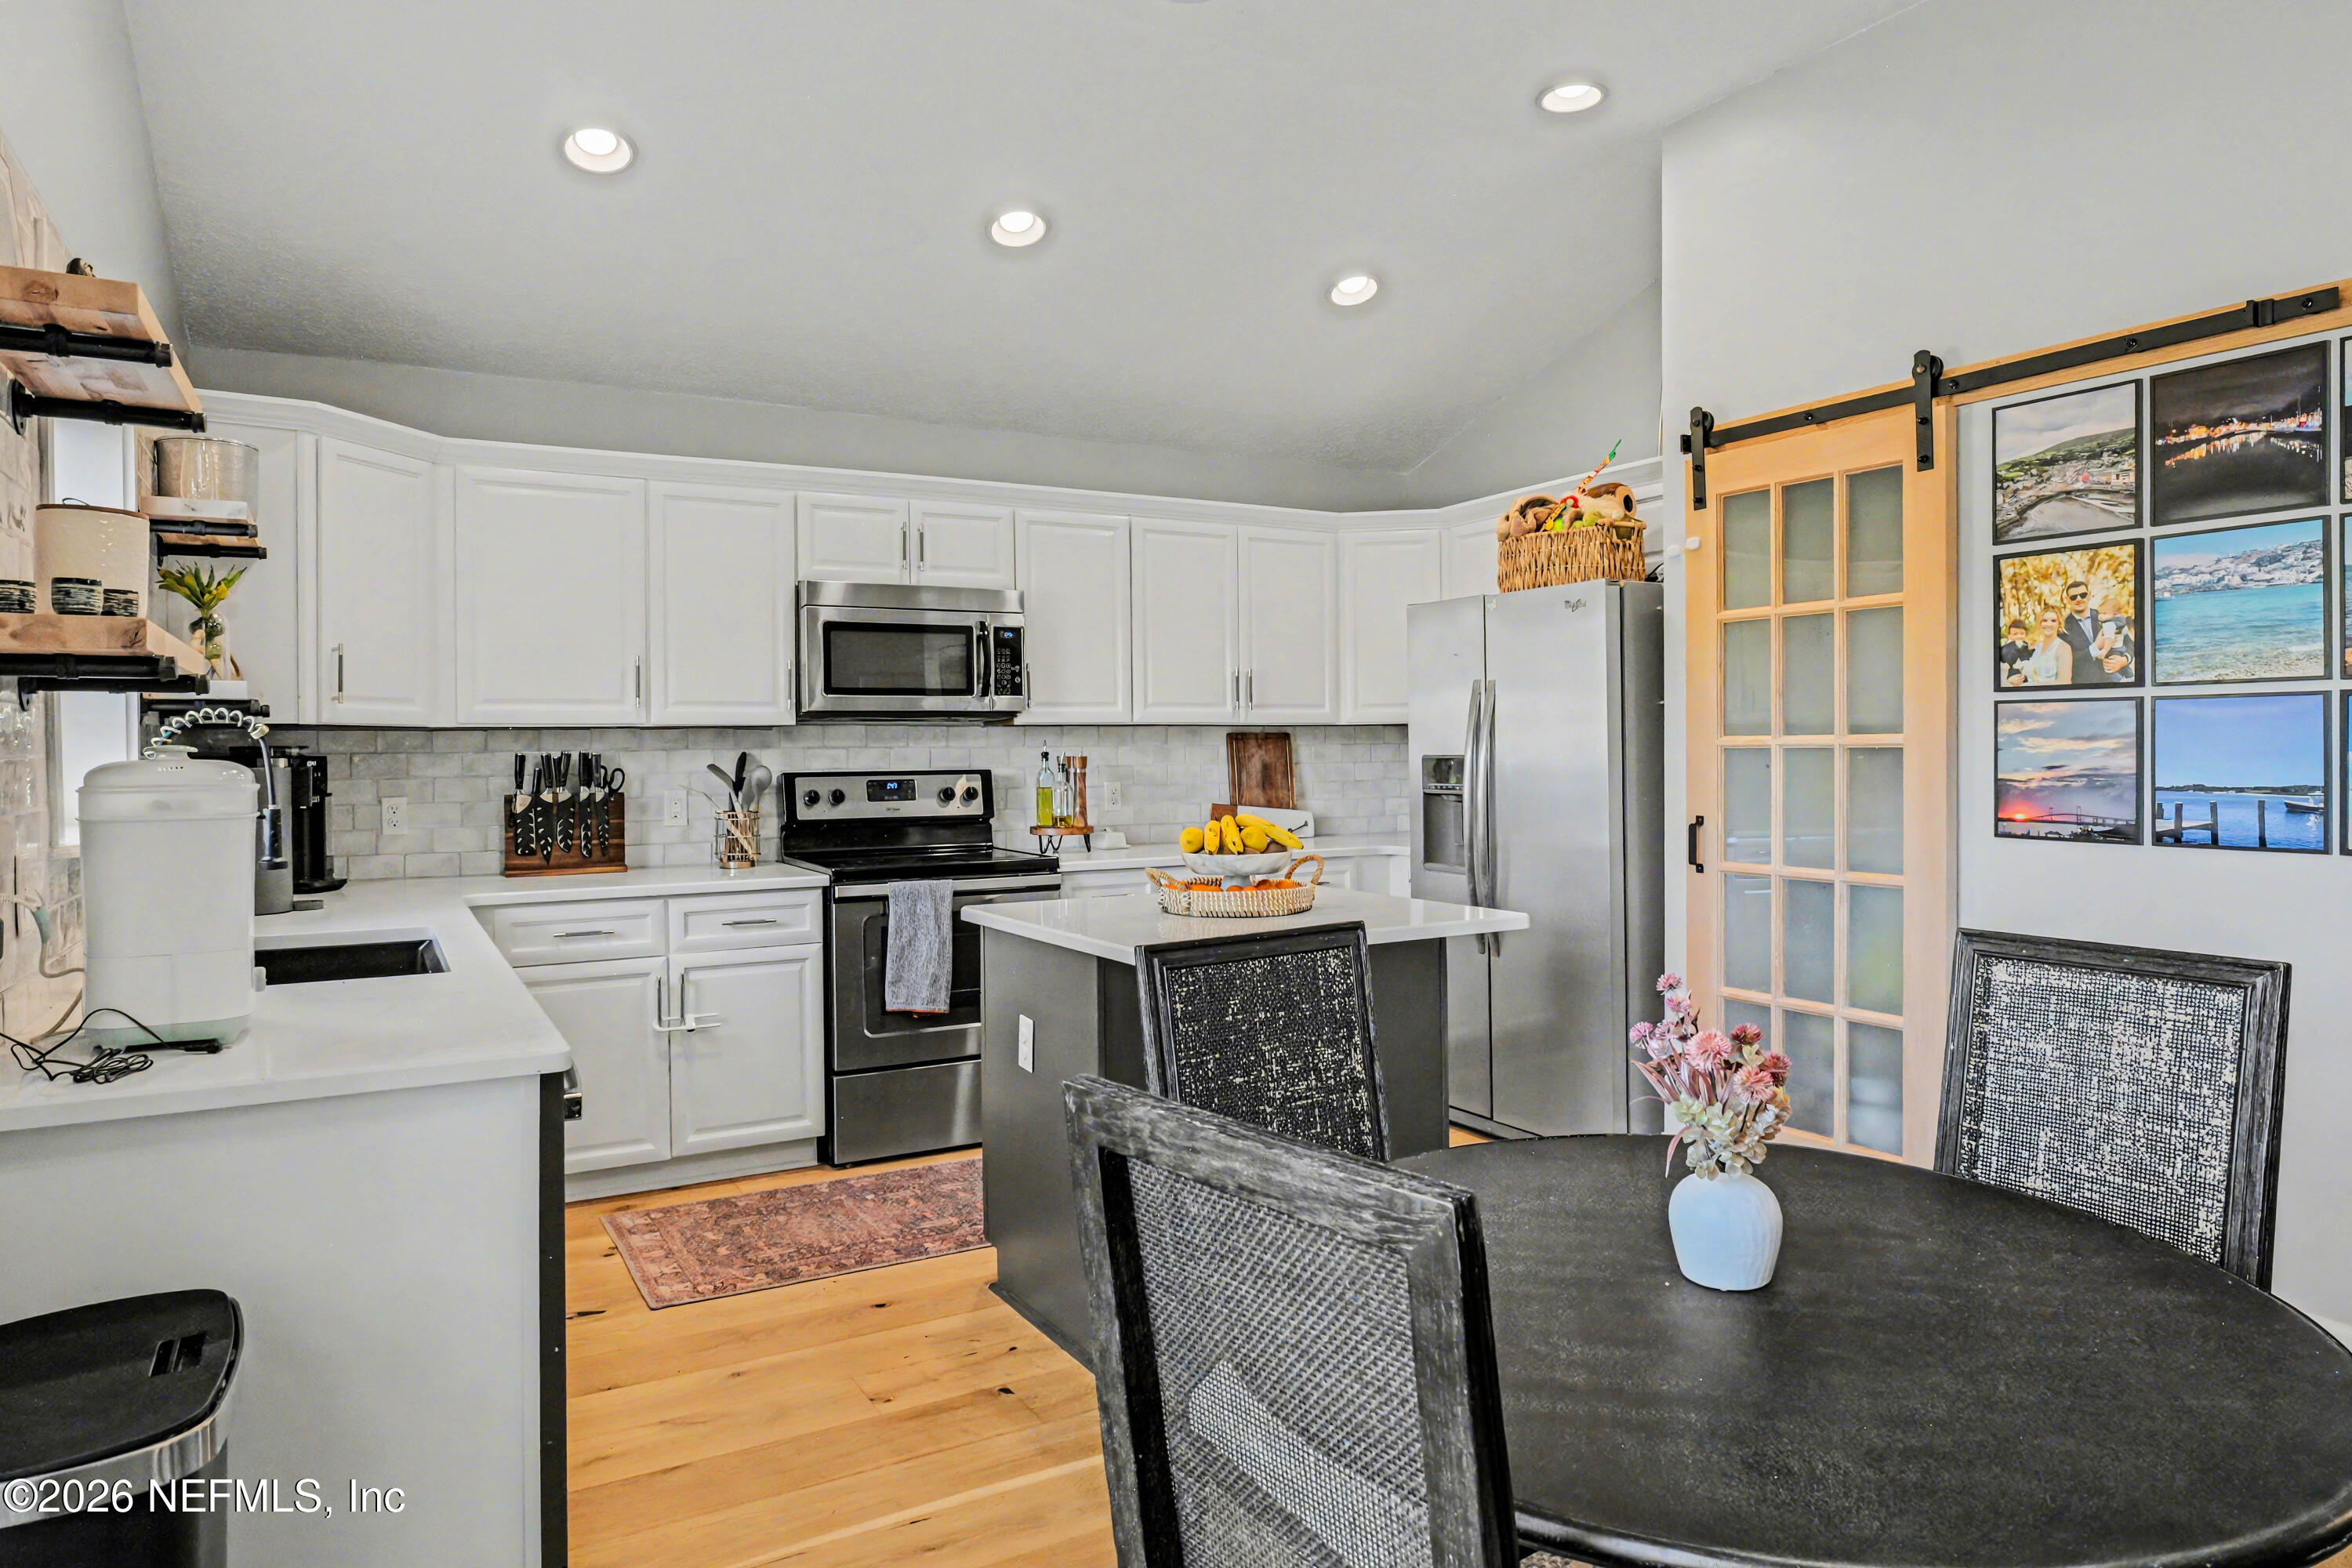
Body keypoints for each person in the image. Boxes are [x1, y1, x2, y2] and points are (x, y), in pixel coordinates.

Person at [2059, 579, 2130, 684]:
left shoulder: (2105, 615)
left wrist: (2124, 660)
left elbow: (2129, 644)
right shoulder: (2063, 627)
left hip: (2118, 682)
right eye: (2074, 597)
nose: (2079, 599)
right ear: (2067, 600)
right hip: (2086, 686)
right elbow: (2067, 662)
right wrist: (2095, 648)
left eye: (2083, 595)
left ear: (2089, 595)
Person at [2020, 608, 2071, 686]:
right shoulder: (2037, 647)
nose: (2049, 624)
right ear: (2040, 623)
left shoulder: (2064, 648)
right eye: (2045, 621)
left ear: (2059, 624)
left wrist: (2031, 686)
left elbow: (2065, 682)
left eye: (2053, 621)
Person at [1998, 616, 2035, 684]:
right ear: (2010, 636)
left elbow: (2026, 657)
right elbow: (2006, 661)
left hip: (2023, 675)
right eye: (2015, 634)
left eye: (2022, 634)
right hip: (2011, 675)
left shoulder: (2024, 644)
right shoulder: (2006, 648)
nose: (2019, 636)